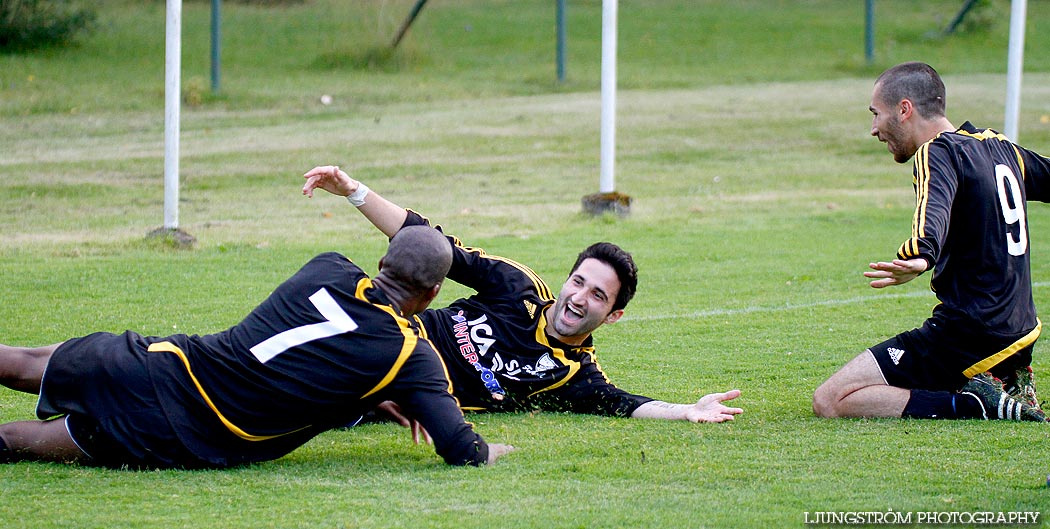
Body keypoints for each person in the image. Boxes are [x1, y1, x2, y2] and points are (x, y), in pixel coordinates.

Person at [0, 226, 515, 468]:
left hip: (162, 362)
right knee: (14, 441)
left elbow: (308, 344)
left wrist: (361, 391)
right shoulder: (410, 354)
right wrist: (495, 450)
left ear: (384, 259)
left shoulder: (327, 266)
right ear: (433, 294)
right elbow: (463, 450)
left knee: (22, 362)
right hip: (181, 434)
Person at [301, 165, 743, 432]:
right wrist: (354, 191)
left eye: (597, 296)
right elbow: (430, 243)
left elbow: (624, 404)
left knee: (309, 397)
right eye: (578, 282)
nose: (578, 298)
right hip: (386, 335)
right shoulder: (518, 286)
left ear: (613, 315)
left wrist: (686, 410)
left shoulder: (572, 375)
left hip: (402, 390)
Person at [812, 61, 1050, 422]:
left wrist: (922, 253)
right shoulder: (1001, 148)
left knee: (831, 399)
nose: (874, 129)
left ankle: (976, 404)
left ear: (904, 109)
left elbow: (933, 205)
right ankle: (1004, 381)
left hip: (970, 333)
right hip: (1020, 331)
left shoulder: (937, 151)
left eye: (876, 114)